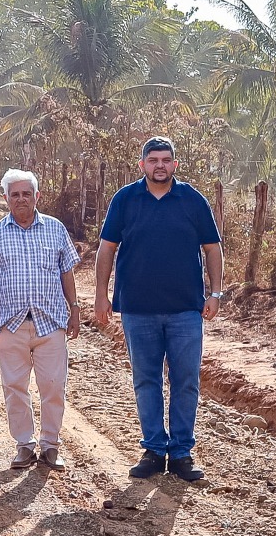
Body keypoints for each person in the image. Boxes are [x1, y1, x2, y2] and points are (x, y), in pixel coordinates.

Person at [94, 136, 224, 482]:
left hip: (185, 310)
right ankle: (153, 450)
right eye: (153, 160)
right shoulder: (125, 199)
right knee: (146, 381)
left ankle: (181, 454)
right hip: (138, 309)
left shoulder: (193, 201)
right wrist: (100, 295)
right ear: (142, 165)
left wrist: (216, 294)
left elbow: (212, 249)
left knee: (185, 381)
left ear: (175, 165)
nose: (160, 166)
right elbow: (106, 249)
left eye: (166, 160)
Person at [0, 169, 81, 471]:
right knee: (14, 387)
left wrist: (74, 308)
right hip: (11, 324)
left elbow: (66, 271)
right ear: (6, 198)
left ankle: (50, 446)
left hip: (51, 323)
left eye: (26, 194)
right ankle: (24, 445)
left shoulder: (55, 229)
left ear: (37, 196)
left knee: (52, 386)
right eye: (15, 194)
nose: (21, 199)